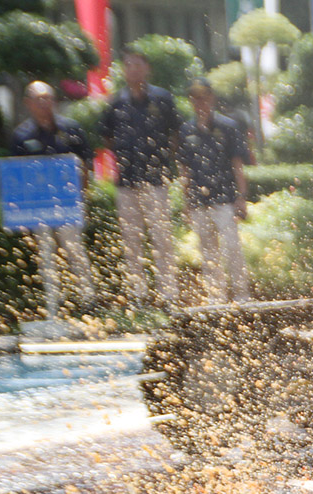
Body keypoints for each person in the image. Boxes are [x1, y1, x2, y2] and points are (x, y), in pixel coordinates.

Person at [99, 46, 183, 309]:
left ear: (147, 69)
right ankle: (138, 294)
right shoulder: (115, 102)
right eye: (129, 65)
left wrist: (164, 160)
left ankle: (168, 294)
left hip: (156, 180)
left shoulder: (162, 98)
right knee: (131, 239)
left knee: (162, 238)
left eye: (138, 64)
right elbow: (106, 137)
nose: (133, 69)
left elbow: (176, 135)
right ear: (123, 70)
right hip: (126, 182)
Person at [10, 81, 97, 319]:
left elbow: (86, 166)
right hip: (39, 210)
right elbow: (15, 176)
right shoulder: (21, 136)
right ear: (28, 103)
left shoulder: (71, 129)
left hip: (69, 206)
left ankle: (88, 303)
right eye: (38, 99)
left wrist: (84, 199)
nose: (44, 103)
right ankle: (53, 307)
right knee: (46, 258)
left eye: (48, 98)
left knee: (75, 252)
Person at [178, 78, 251, 304]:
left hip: (224, 198)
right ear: (191, 101)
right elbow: (185, 171)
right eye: (196, 98)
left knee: (232, 248)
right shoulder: (186, 130)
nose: (201, 102)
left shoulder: (228, 127)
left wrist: (241, 197)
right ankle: (215, 296)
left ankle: (241, 295)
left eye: (205, 96)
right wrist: (186, 202)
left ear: (212, 98)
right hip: (199, 200)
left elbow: (237, 164)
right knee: (208, 251)